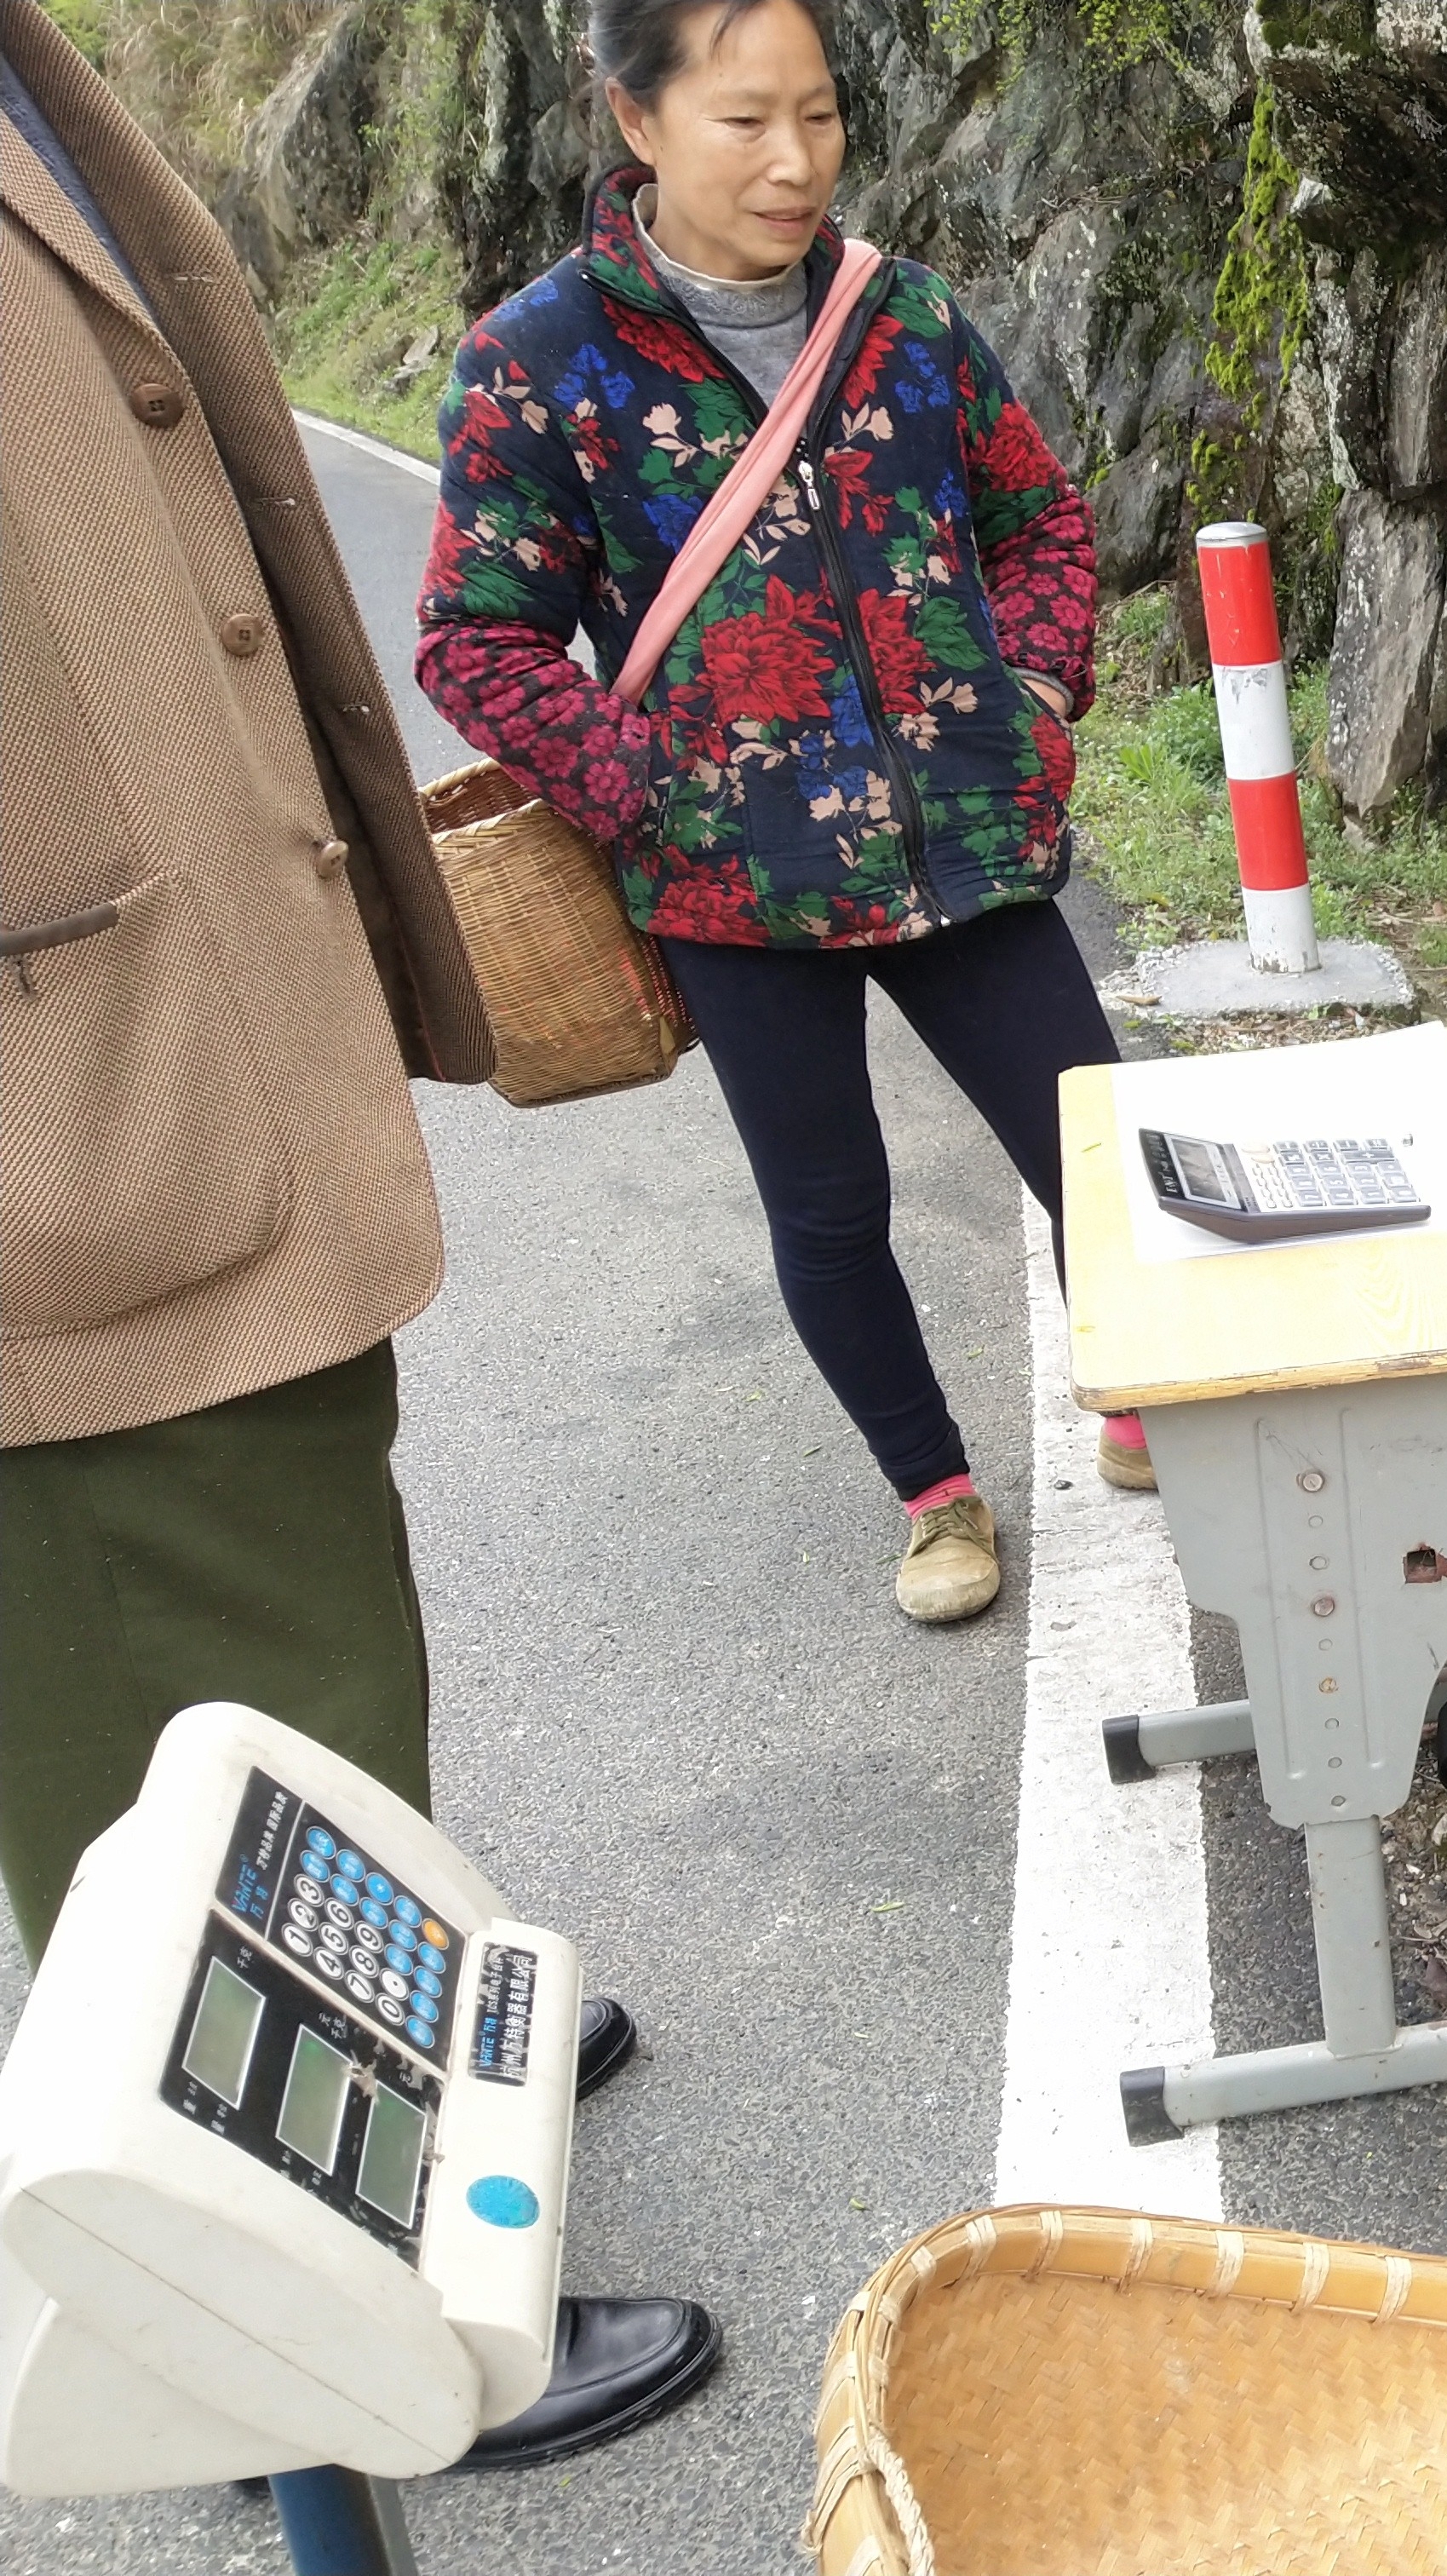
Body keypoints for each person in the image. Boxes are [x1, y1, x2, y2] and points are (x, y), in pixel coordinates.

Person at [0, 0, 717, 2466]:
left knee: (297, 1578)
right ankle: (316, 2333)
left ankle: (409, 2066)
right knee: (170, 1692)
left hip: (175, 1029)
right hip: (53, 1102)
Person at [418, 0, 1138, 1628]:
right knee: (828, 1205)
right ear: (637, 121)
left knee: (1102, 1152)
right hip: (738, 885)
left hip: (968, 841)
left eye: (818, 115)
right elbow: (474, 633)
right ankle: (935, 1493)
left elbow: (1038, 521)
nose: (796, 161)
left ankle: (1152, 1393)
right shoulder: (538, 360)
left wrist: (1025, 699)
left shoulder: (910, 317)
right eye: (747, 120)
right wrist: (648, 793)